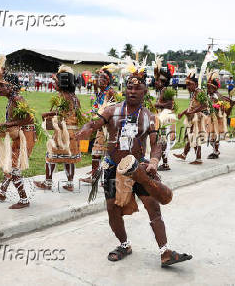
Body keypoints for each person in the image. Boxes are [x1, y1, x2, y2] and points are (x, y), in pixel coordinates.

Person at [75, 62, 192, 267]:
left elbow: (157, 144)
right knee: (113, 210)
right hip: (113, 168)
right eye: (129, 87)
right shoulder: (111, 111)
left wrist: (154, 161)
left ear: (145, 90)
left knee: (153, 207)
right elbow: (93, 123)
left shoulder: (149, 116)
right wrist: (85, 130)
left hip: (138, 168)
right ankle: (124, 245)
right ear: (125, 89)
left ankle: (165, 252)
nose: (132, 90)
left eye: (137, 88)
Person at [0, 72, 36, 209]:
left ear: (12, 87)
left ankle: (24, 200)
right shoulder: (12, 99)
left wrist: (7, 125)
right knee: (9, 164)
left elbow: (29, 119)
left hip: (26, 136)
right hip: (21, 135)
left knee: (14, 169)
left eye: (2, 85)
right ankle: (2, 192)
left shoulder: (17, 99)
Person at [34, 66, 82, 191]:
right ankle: (70, 184)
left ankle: (48, 183)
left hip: (63, 132)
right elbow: (70, 113)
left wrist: (47, 114)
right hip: (73, 132)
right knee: (69, 159)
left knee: (50, 156)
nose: (54, 84)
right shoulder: (74, 97)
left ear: (63, 84)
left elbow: (60, 114)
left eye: (56, 82)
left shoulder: (64, 97)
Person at [80, 65, 117, 183]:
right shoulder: (101, 93)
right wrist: (89, 115)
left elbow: (113, 109)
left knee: (108, 154)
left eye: (104, 79)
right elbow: (96, 108)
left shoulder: (110, 92)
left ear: (109, 81)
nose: (101, 80)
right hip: (100, 127)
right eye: (100, 78)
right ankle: (94, 178)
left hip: (109, 128)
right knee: (96, 153)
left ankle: (108, 179)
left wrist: (99, 116)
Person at [174, 68, 207, 164]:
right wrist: (183, 113)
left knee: (194, 137)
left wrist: (193, 111)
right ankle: (184, 154)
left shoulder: (199, 92)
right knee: (190, 136)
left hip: (197, 119)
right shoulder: (195, 93)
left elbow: (204, 105)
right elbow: (191, 107)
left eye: (190, 84)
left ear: (196, 84)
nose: (188, 87)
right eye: (187, 85)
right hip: (192, 118)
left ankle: (198, 158)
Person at [153, 55, 176, 170]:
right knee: (161, 140)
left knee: (163, 140)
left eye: (157, 80)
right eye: (156, 80)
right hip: (162, 118)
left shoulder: (165, 91)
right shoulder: (161, 90)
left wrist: (156, 105)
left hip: (165, 119)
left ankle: (165, 163)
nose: (155, 82)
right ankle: (164, 162)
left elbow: (170, 105)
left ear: (163, 82)